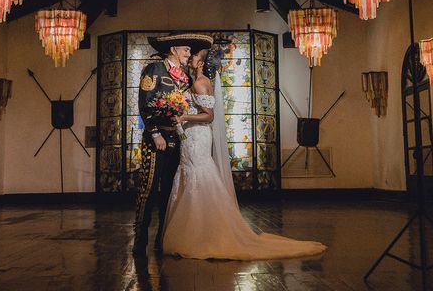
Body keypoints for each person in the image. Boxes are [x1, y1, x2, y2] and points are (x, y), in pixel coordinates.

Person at [161, 45, 327, 260]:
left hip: (197, 136)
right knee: (191, 173)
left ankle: (202, 233)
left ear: (201, 63)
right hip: (191, 136)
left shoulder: (201, 83)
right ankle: (200, 228)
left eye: (194, 56)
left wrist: (183, 117)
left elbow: (209, 116)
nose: (191, 57)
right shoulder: (193, 82)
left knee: (198, 174)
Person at [132, 33, 214, 256]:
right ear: (174, 49)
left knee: (169, 191)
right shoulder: (154, 70)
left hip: (177, 140)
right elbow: (145, 104)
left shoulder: (186, 78)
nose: (189, 54)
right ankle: (140, 241)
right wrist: (155, 133)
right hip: (155, 140)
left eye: (189, 51)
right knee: (148, 189)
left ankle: (162, 239)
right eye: (186, 50)